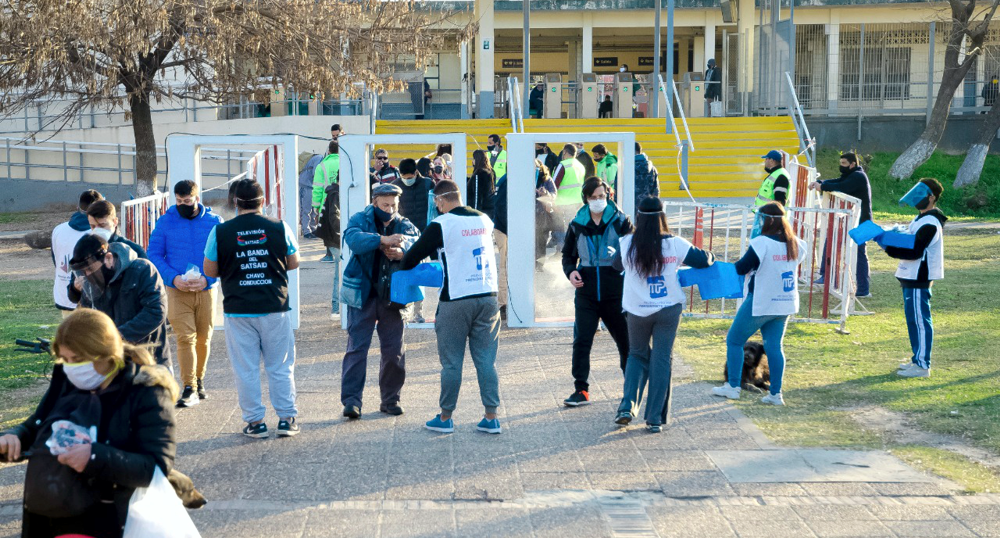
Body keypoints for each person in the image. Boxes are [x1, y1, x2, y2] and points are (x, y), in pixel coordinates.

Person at [0, 308, 177, 537]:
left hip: (107, 521)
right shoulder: (66, 379)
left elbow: (155, 467)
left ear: (105, 353)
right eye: (65, 358)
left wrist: (94, 456)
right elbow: (38, 425)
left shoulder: (145, 393)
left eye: (78, 359)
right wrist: (13, 437)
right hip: (49, 518)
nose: (71, 367)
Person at [402, 180, 503, 434]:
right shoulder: (484, 219)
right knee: (486, 361)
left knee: (451, 363)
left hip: (456, 298)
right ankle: (491, 417)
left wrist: (400, 261)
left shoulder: (442, 224)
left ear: (439, 200)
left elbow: (412, 256)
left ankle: (445, 418)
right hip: (488, 296)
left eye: (436, 202)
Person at [203, 179, 301, 438]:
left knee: (245, 368)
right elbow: (294, 262)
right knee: (280, 365)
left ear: (235, 202)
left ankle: (255, 423)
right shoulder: (279, 227)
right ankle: (286, 419)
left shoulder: (220, 232)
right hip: (274, 306)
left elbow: (209, 270)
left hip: (238, 309)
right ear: (262, 200)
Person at [614, 197, 714, 432]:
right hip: (668, 309)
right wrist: (710, 255)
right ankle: (655, 419)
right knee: (661, 358)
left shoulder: (627, 243)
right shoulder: (675, 243)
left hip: (637, 309)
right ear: (662, 216)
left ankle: (627, 407)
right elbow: (703, 260)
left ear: (638, 217)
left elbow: (616, 266)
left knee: (636, 355)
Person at [712, 202, 807, 405]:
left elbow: (742, 267)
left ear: (769, 220)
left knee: (734, 341)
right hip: (785, 302)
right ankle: (775, 394)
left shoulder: (762, 243)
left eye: (761, 218)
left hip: (762, 301)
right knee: (774, 346)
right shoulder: (798, 243)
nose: (758, 222)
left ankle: (733, 386)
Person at [340, 183, 419, 419]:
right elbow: (353, 240)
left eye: (394, 204)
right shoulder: (359, 219)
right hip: (362, 296)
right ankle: (352, 402)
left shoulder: (404, 223)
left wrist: (403, 251)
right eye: (385, 204)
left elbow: (418, 242)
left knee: (394, 350)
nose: (390, 208)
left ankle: (391, 400)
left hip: (393, 299)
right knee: (356, 349)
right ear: (375, 202)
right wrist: (383, 240)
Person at [147, 179, 224, 407]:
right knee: (185, 337)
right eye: (179, 201)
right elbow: (154, 254)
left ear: (196, 198)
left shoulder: (213, 222)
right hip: (177, 290)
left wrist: (208, 279)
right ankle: (188, 386)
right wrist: (173, 278)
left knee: (203, 337)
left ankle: (199, 380)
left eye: (187, 201)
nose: (183, 204)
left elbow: (223, 254)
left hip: (206, 289)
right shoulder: (165, 222)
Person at [561, 177, 633, 407]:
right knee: (582, 340)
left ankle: (631, 390)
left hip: (616, 294)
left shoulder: (621, 221)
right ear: (586, 198)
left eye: (601, 196)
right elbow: (567, 256)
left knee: (626, 342)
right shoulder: (576, 224)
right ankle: (581, 390)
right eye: (593, 197)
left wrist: (619, 269)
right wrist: (571, 272)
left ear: (608, 196)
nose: (598, 201)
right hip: (586, 293)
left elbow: (633, 253)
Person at [68, 234, 171, 369]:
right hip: (115, 364)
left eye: (90, 269)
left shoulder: (143, 270)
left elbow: (156, 311)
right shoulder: (92, 284)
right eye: (84, 271)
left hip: (151, 360)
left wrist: (118, 335)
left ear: (109, 258)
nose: (87, 275)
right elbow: (89, 317)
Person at [879, 178, 947, 379]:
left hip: (919, 279)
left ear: (931, 197)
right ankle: (917, 359)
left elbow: (915, 251)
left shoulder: (931, 223)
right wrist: (885, 238)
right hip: (909, 277)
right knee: (913, 321)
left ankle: (923, 365)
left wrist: (888, 248)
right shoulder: (919, 219)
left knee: (920, 321)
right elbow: (909, 243)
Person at [808, 152, 873, 297]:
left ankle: (862, 289)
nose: (841, 166)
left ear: (852, 164)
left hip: (861, 222)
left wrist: (823, 186)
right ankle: (828, 277)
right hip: (853, 220)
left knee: (859, 255)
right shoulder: (853, 174)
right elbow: (838, 181)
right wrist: (822, 183)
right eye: (840, 163)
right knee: (832, 242)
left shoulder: (858, 176)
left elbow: (842, 187)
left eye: (844, 164)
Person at [393, 158, 436, 323]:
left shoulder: (428, 185)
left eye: (409, 176)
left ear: (416, 173)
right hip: (403, 237)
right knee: (402, 273)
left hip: (423, 236)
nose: (407, 179)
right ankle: (403, 310)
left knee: (420, 275)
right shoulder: (395, 186)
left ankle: (418, 312)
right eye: (404, 176)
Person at [52, 189, 103, 317]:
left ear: (77, 207)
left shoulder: (58, 230)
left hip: (64, 294)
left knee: (69, 335)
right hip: (90, 297)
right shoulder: (98, 234)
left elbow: (56, 260)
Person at [313, 171, 342, 321]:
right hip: (334, 238)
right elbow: (334, 217)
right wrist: (342, 234)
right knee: (340, 272)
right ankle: (336, 308)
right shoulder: (336, 193)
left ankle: (338, 308)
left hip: (330, 238)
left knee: (340, 271)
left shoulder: (332, 191)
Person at [552, 144, 588, 248]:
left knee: (560, 228)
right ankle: (573, 250)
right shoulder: (580, 166)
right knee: (573, 227)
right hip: (577, 202)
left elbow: (554, 184)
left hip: (563, 202)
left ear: (565, 152)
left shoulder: (563, 165)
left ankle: (561, 251)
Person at [751, 150, 791, 237]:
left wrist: (774, 222)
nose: (765, 161)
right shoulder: (776, 174)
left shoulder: (780, 176)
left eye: (766, 159)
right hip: (765, 217)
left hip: (770, 220)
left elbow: (780, 201)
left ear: (772, 160)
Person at [313, 141, 341, 263]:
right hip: (342, 199)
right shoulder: (344, 162)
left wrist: (316, 205)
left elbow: (318, 188)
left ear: (328, 151)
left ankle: (329, 254)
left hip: (327, 200)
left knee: (327, 227)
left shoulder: (322, 165)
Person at [298, 151, 323, 238]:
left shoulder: (317, 157)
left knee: (310, 209)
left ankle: (312, 229)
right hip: (308, 186)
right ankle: (307, 231)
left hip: (306, 185)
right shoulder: (319, 158)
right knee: (307, 209)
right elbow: (315, 173)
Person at [468, 149, 496, 214]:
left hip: (482, 210)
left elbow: (477, 197)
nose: (472, 161)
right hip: (490, 209)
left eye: (473, 159)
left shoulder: (479, 174)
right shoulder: (491, 172)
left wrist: (475, 213)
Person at [634, 142, 660, 209]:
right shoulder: (652, 168)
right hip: (647, 208)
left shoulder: (626, 167)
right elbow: (655, 190)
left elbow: (618, 187)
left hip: (629, 206)